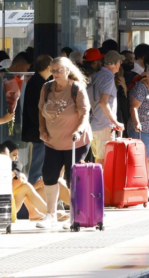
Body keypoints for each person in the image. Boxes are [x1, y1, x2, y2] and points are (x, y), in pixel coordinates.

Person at [37, 57, 91, 230]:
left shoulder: (76, 89)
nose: (55, 74)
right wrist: (42, 130)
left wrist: (79, 130)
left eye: (58, 70)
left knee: (72, 177)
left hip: (76, 141)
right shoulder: (46, 88)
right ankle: (50, 214)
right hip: (53, 141)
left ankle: (76, 215)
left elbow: (84, 113)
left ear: (67, 70)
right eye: (52, 70)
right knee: (49, 174)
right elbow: (41, 111)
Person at [88, 50, 125, 163]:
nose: (120, 65)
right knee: (103, 161)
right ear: (115, 63)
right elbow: (103, 102)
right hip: (104, 125)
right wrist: (116, 122)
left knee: (98, 159)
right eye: (120, 62)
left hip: (94, 123)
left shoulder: (96, 75)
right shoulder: (108, 78)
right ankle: (98, 182)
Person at [0, 141, 50, 221]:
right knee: (22, 179)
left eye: (17, 155)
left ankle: (44, 212)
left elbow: (18, 166)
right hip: (0, 210)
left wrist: (11, 174)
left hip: (9, 208)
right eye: (14, 155)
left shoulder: (14, 165)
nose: (17, 157)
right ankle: (48, 212)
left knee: (25, 186)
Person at [22, 55, 53, 185]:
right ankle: (31, 196)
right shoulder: (39, 83)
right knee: (37, 166)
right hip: (39, 131)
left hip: (37, 130)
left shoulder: (36, 81)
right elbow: (34, 109)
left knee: (38, 165)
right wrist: (43, 126)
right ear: (48, 67)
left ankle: (33, 195)